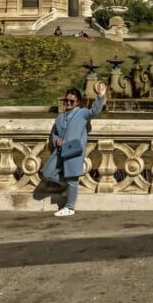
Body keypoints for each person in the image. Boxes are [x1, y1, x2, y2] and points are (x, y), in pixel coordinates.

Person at [41, 83, 107, 217]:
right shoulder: (59, 117)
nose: (68, 103)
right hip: (60, 151)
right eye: (66, 100)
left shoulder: (82, 113)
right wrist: (56, 140)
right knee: (47, 173)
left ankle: (69, 207)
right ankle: (68, 187)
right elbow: (55, 134)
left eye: (72, 101)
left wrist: (100, 96)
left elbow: (94, 111)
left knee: (72, 179)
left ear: (77, 102)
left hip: (74, 151)